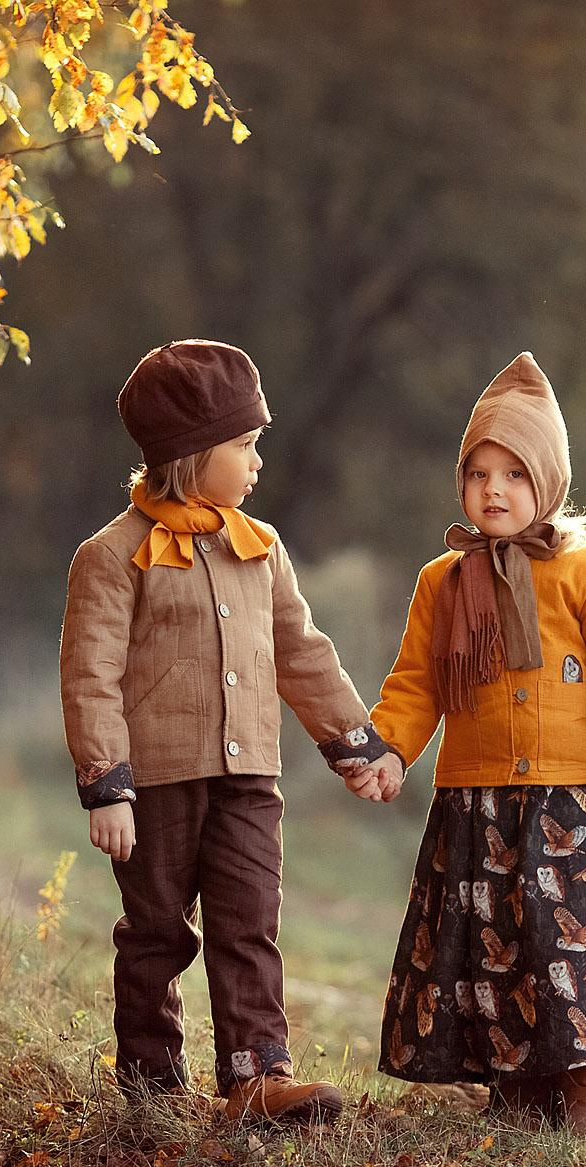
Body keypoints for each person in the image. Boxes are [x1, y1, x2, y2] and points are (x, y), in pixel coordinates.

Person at [60, 339, 393, 1125]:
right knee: (156, 932)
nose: (256, 463)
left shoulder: (261, 548)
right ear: (189, 451)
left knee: (250, 924)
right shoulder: (112, 557)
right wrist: (108, 785)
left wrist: (356, 741)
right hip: (158, 786)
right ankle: (150, 1081)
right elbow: (90, 677)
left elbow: (301, 650)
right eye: (244, 445)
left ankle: (256, 1076)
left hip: (250, 779)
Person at [350, 352, 586, 1142]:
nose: (495, 491)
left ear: (549, 485)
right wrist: (390, 749)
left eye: (515, 476)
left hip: (570, 797)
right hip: (475, 796)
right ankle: (517, 1092)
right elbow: (417, 680)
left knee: (571, 945)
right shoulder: (443, 582)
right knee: (492, 947)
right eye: (479, 473)